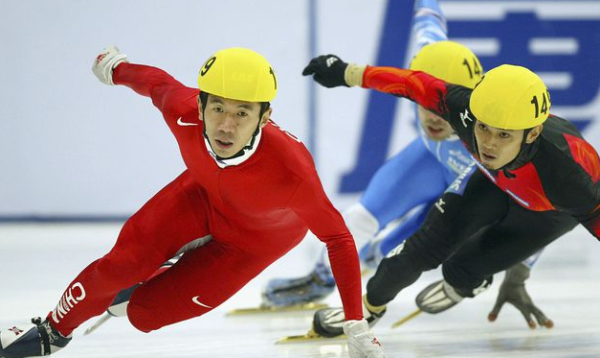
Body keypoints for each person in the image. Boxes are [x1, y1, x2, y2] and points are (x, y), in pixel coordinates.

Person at [0, 46, 385, 358]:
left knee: (144, 315)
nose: (227, 125)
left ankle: (146, 282)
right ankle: (52, 331)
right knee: (120, 265)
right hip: (201, 196)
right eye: (217, 108)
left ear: (265, 117)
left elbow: (339, 239)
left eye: (242, 112)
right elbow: (156, 83)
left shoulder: (292, 172)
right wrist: (116, 68)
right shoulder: (183, 111)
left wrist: (355, 323)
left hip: (253, 243)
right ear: (200, 106)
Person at [265, 0, 550, 330]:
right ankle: (321, 278)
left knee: (394, 251)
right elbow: (428, 20)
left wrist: (516, 271)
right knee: (362, 216)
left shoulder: (496, 139)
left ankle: (370, 267)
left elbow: (539, 210)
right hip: (429, 160)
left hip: (470, 186)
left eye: (443, 110)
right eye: (424, 102)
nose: (431, 116)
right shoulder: (431, 58)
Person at [300, 34, 600, 338]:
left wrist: (518, 275)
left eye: (504, 136)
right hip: (491, 181)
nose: (489, 145)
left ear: (533, 134)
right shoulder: (463, 108)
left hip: (545, 212)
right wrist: (346, 72)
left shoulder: (567, 175)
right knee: (417, 251)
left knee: (461, 268)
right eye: (483, 128)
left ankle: (464, 282)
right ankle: (367, 309)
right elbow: (412, 83)